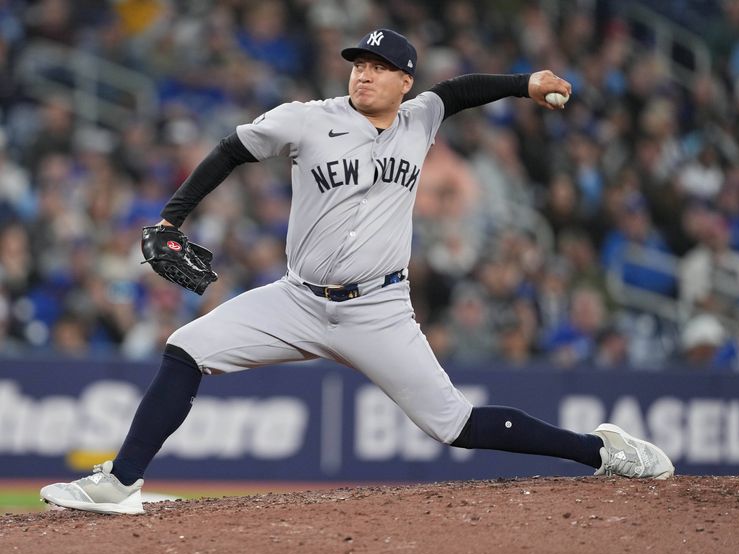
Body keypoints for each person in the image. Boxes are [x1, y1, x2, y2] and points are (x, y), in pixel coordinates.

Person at [40, 29, 674, 515]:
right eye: (358, 64)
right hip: (296, 300)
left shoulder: (420, 117)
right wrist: (173, 218)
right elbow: (229, 152)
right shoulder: (308, 118)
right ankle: (121, 483)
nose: (363, 74)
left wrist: (523, 83)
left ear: (404, 81)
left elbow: (456, 93)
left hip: (379, 311)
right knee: (185, 347)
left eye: (378, 67)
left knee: (452, 424)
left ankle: (600, 451)